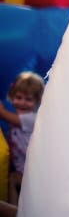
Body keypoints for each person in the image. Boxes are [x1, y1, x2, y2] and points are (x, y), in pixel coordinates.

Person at [0, 72, 44, 206]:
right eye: (18, 97)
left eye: (28, 99)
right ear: (12, 97)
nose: (22, 103)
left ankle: (14, 209)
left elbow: (3, 114)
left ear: (37, 102)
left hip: (31, 170)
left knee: (13, 179)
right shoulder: (19, 117)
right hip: (21, 167)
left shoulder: (31, 118)